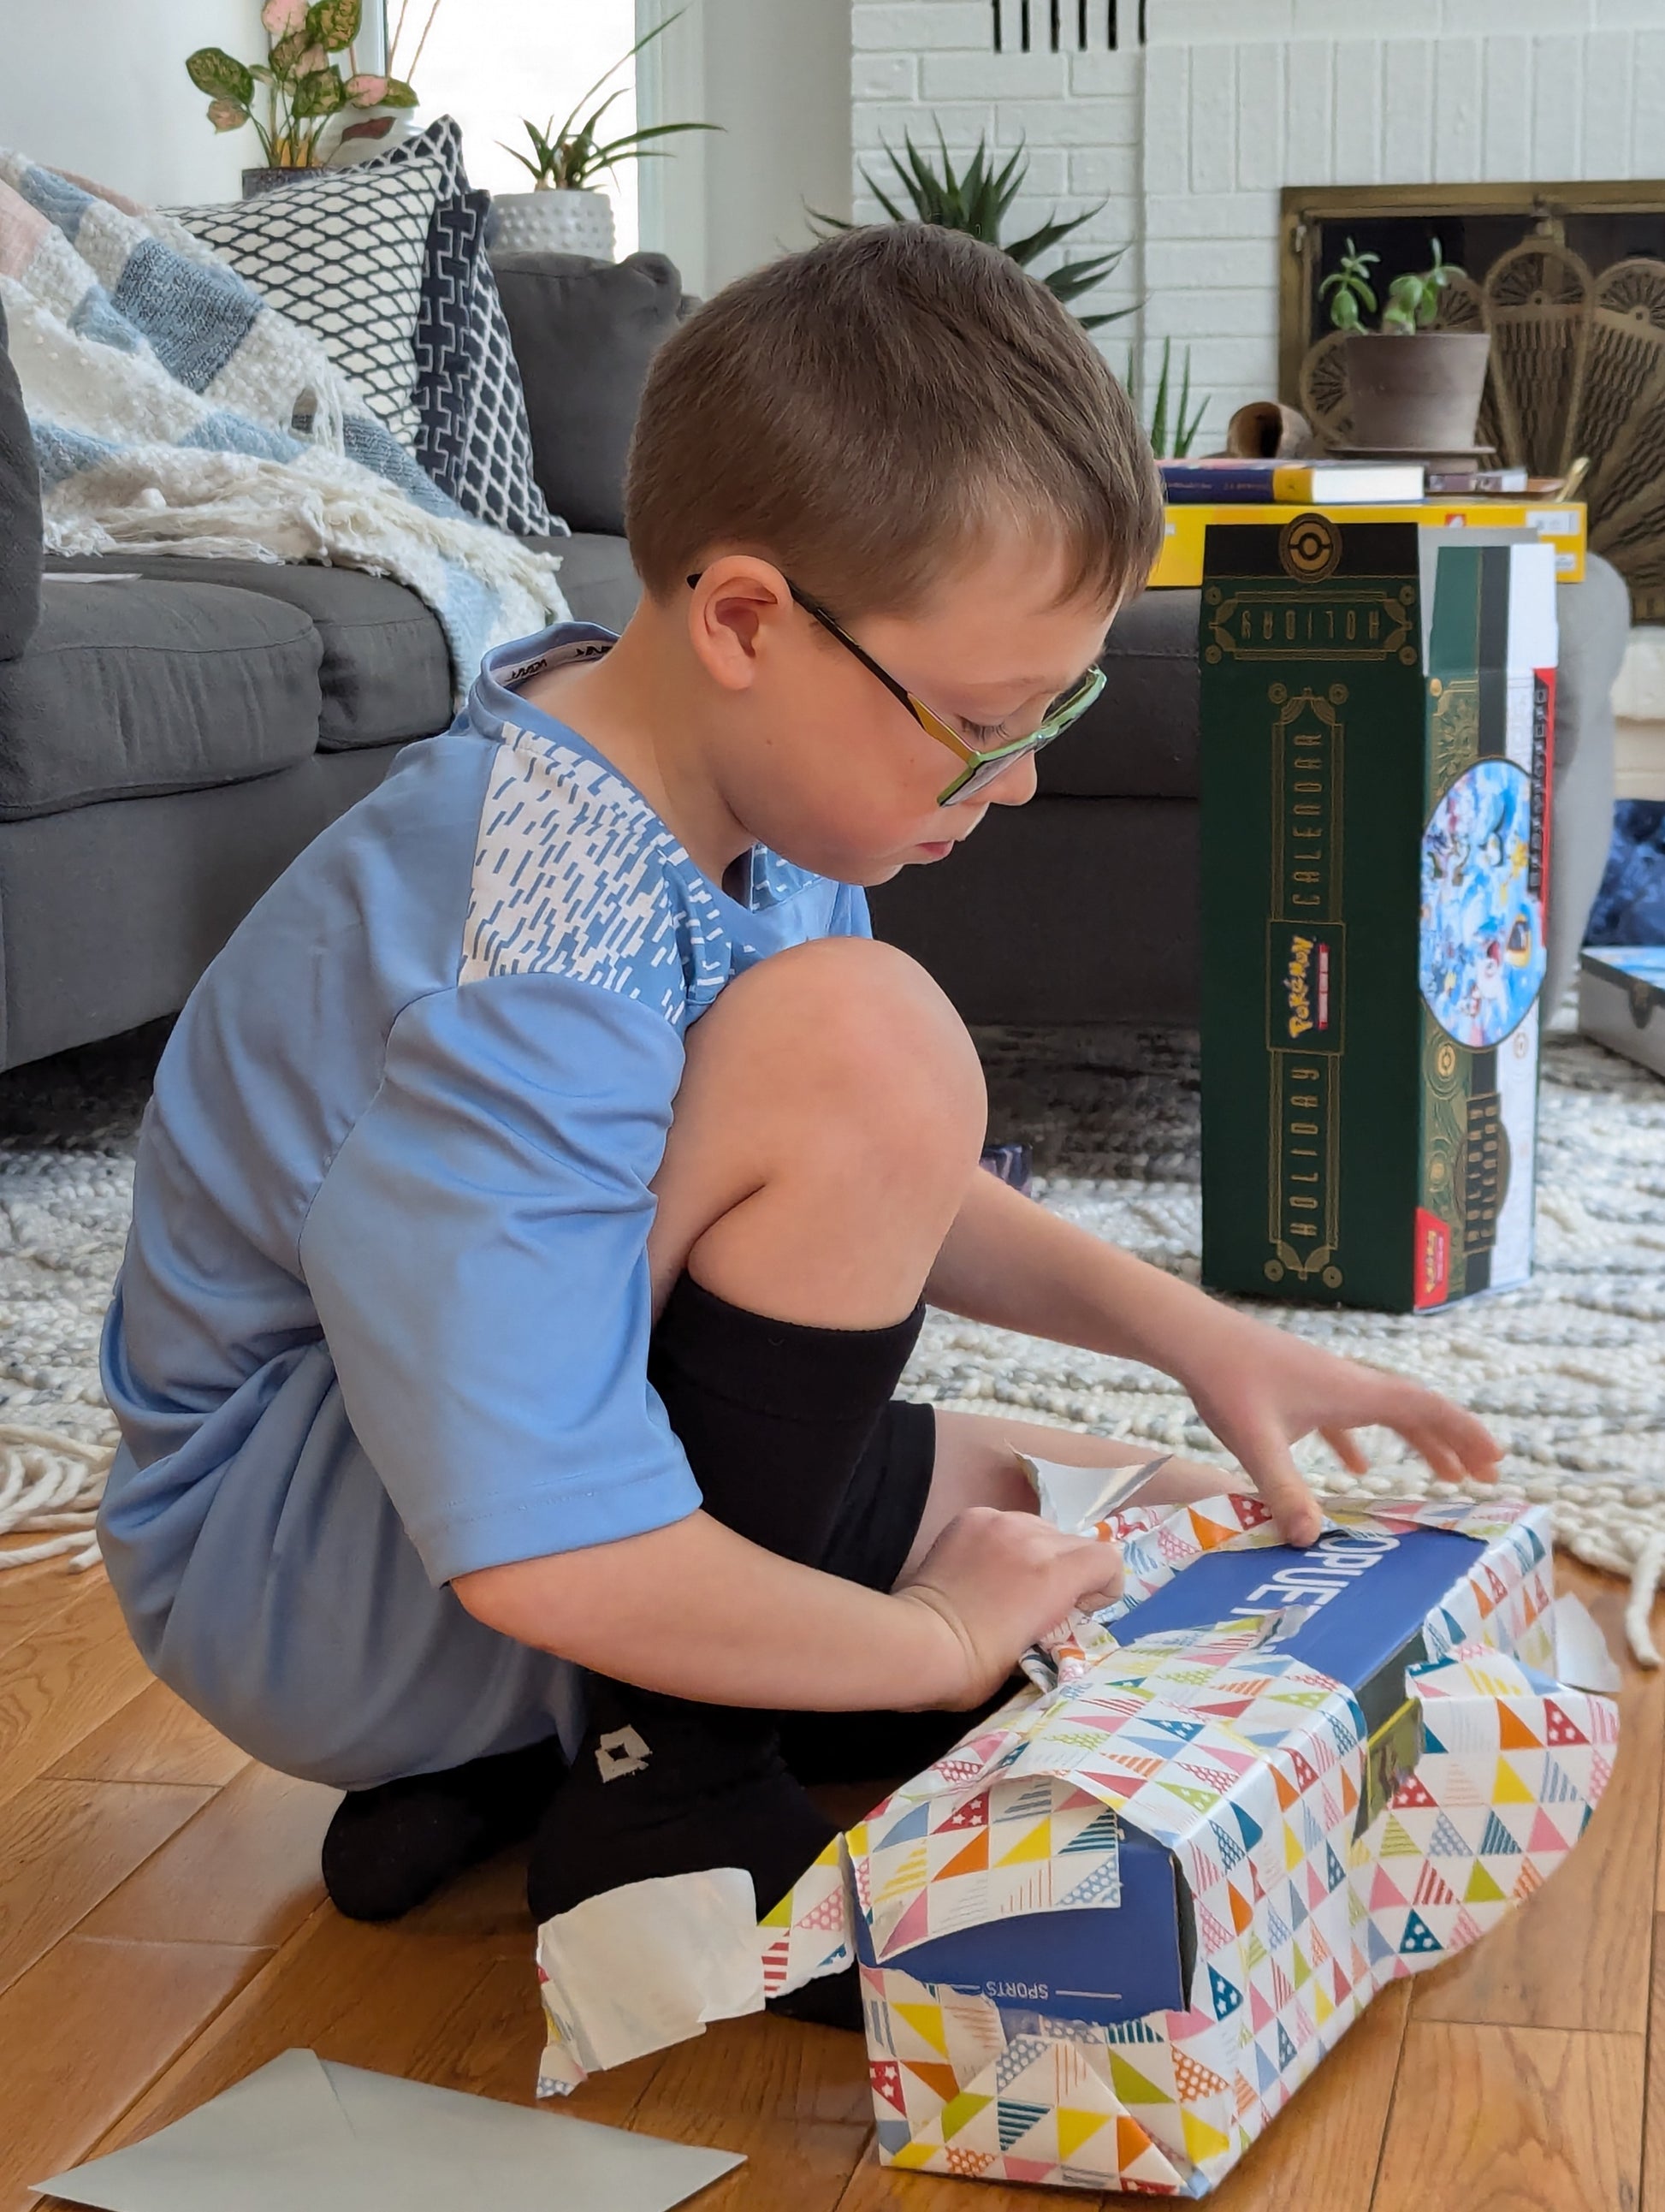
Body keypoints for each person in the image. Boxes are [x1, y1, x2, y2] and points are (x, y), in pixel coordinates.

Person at [98, 226, 1499, 2014]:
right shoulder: (526, 954)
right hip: (310, 1576)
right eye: (982, 723)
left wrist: (1194, 1337)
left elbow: (872, 1181)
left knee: (1128, 1515)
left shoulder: (710, 793)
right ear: (748, 618)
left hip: (441, 1484)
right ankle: (658, 1794)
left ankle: (526, 1756)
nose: (1024, 777)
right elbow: (544, 1527)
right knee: (873, 1053)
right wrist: (920, 1647)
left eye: (1051, 709)